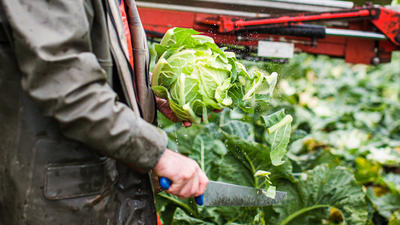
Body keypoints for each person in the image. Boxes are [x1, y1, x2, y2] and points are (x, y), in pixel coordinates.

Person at [0, 0, 208, 224]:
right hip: (57, 201)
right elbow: (69, 87)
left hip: (94, 194)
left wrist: (147, 94)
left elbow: (100, 57)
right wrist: (156, 153)